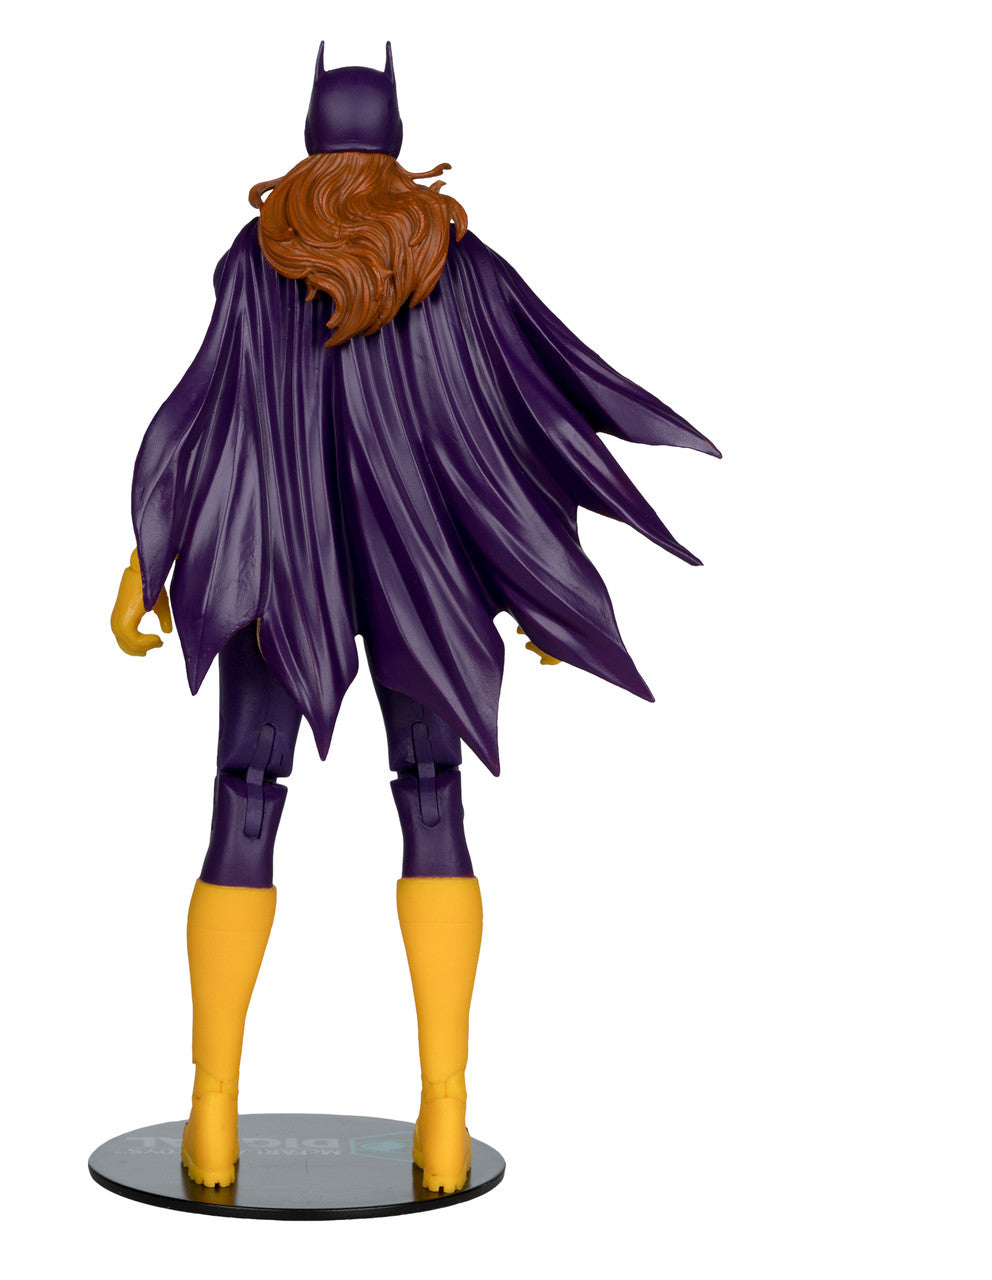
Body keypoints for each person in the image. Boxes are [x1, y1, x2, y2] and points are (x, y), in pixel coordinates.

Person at [110, 43, 717, 1193]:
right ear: (395, 145)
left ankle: (212, 1110)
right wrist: (537, 579)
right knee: (431, 801)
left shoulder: (260, 256)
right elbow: (523, 425)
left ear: (308, 143)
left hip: (280, 573)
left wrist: (148, 558)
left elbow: (199, 413)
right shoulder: (453, 261)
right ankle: (445, 1113)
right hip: (417, 579)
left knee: (243, 800)